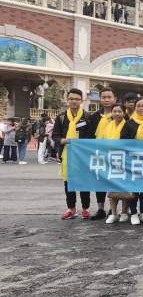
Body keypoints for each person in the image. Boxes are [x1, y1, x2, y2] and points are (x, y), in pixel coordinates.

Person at [52, 89, 92, 220]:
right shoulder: (61, 117)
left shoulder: (87, 117)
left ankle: (85, 209)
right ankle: (71, 209)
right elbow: (55, 136)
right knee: (68, 183)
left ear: (82, 101)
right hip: (67, 154)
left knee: (84, 182)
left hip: (83, 155)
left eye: (77, 99)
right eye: (71, 99)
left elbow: (92, 136)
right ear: (67, 100)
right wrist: (66, 140)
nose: (74, 101)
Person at [120, 97, 143, 225]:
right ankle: (134, 213)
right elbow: (123, 142)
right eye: (139, 105)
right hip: (133, 161)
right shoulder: (129, 123)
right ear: (135, 108)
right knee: (133, 188)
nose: (141, 108)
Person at [97, 104, 130, 224]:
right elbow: (102, 141)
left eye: (119, 111)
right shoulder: (108, 125)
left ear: (124, 113)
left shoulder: (128, 125)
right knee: (112, 188)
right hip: (111, 159)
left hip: (124, 160)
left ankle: (124, 212)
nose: (117, 113)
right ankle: (114, 213)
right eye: (114, 111)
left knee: (125, 188)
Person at [88, 87, 116, 220]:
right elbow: (89, 136)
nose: (106, 100)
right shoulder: (94, 117)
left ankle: (113, 208)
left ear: (114, 99)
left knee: (113, 180)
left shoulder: (119, 114)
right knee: (99, 180)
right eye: (104, 97)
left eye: (109, 97)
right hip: (98, 153)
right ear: (100, 99)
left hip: (114, 154)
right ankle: (100, 209)